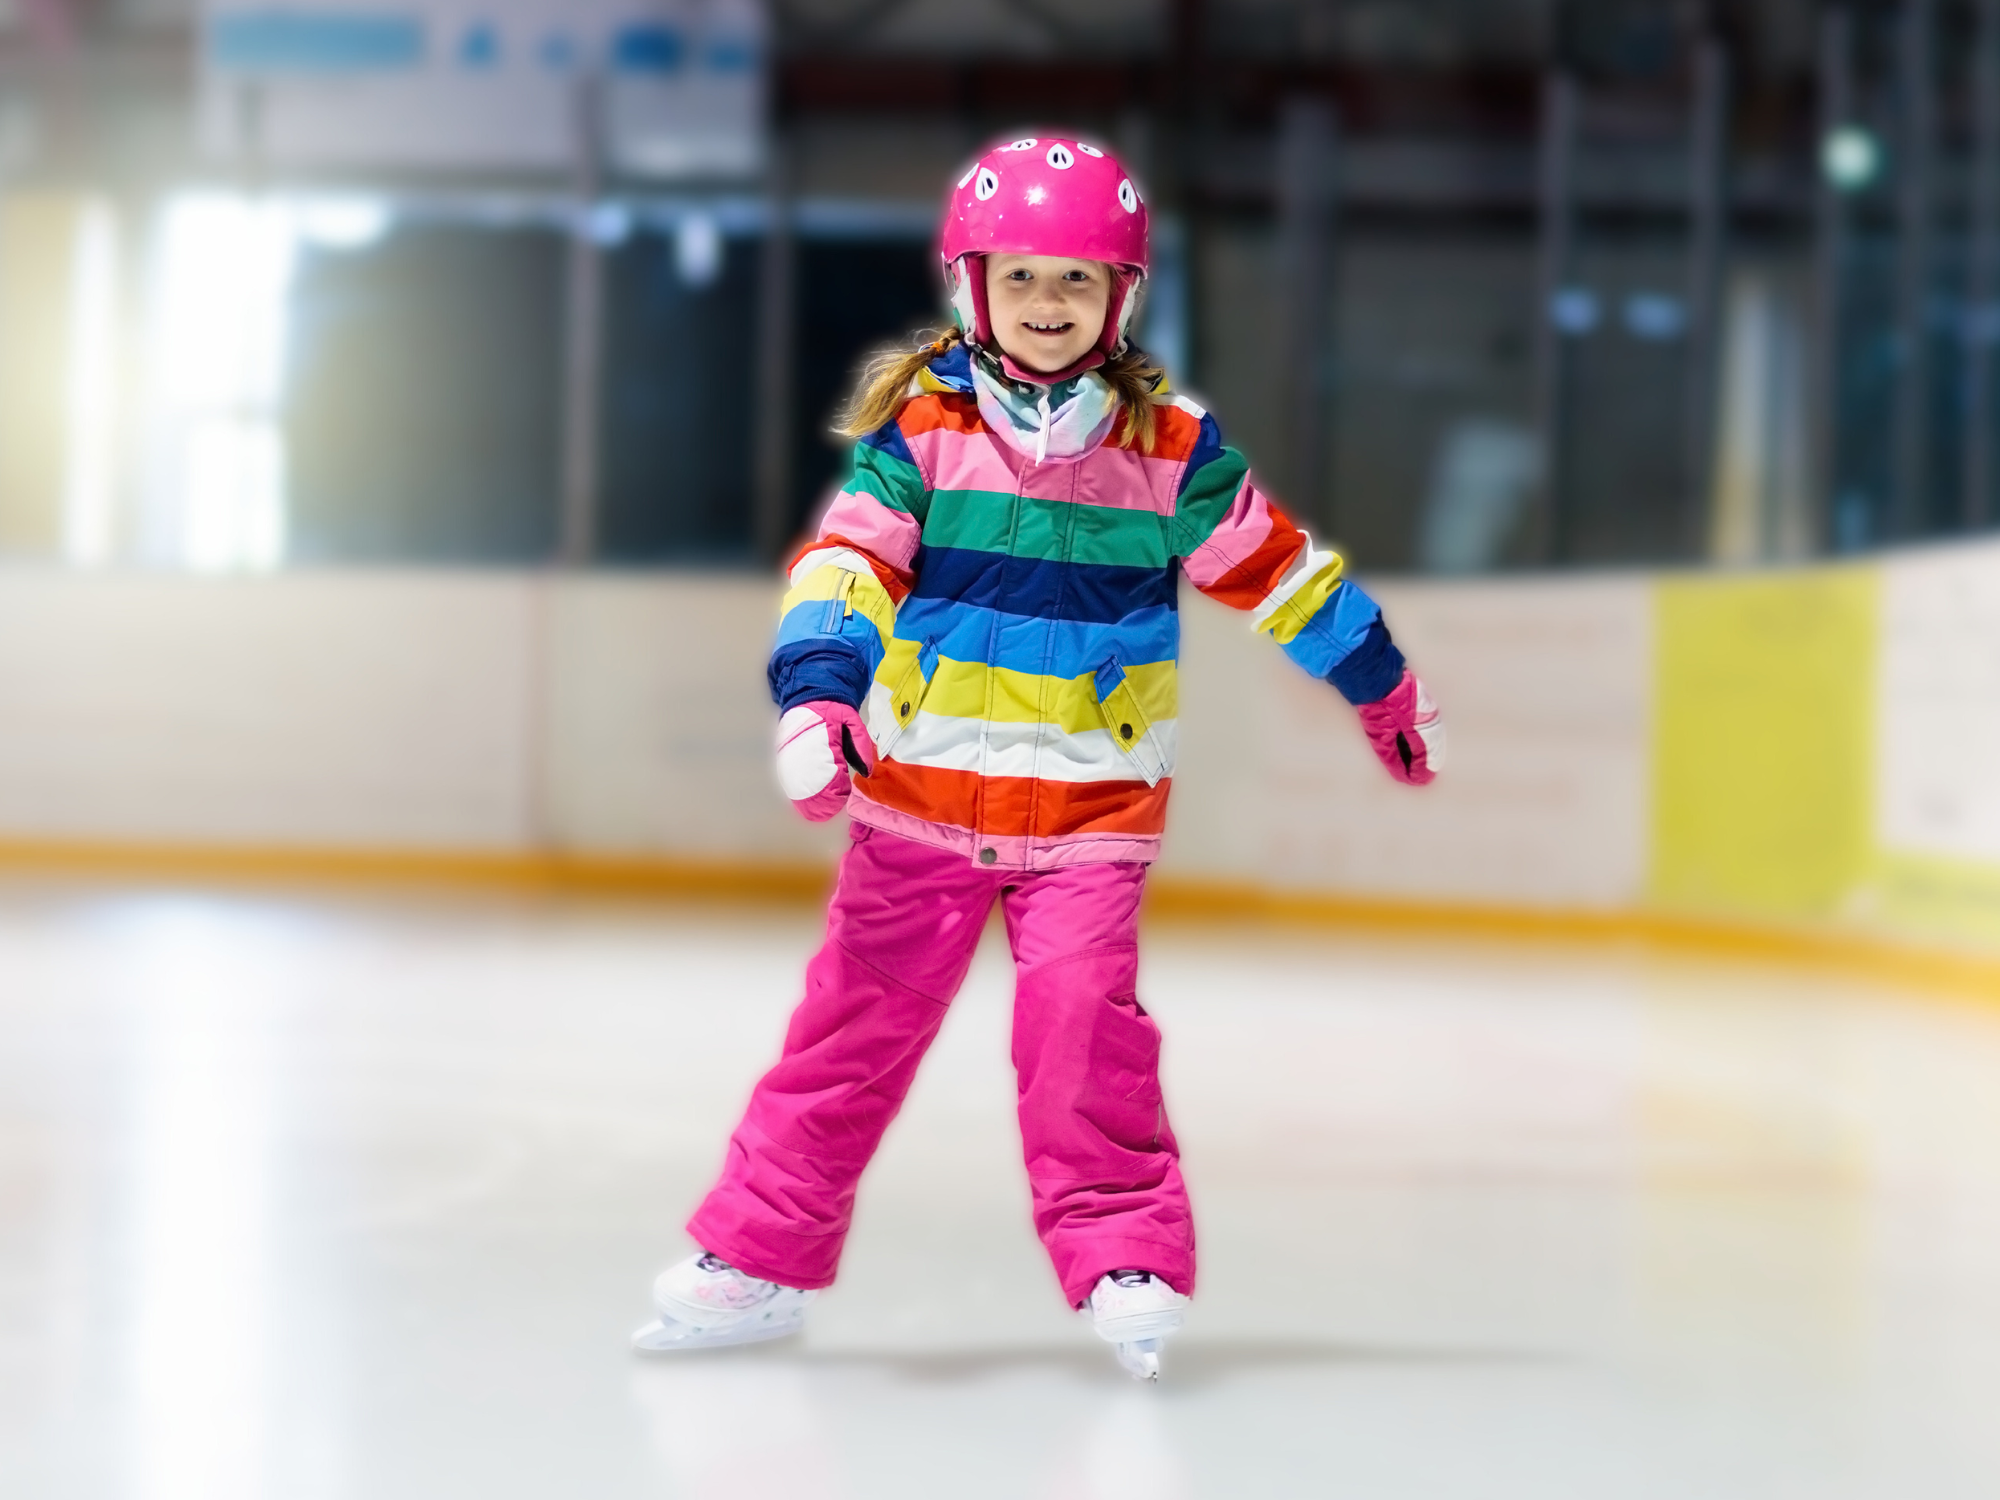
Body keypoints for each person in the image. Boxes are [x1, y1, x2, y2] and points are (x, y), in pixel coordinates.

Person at [632, 134, 1444, 1381]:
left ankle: (1124, 1251)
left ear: (1120, 298)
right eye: (1021, 279)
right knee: (846, 1036)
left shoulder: (1167, 446)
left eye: (1076, 282)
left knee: (1079, 1027)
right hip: (916, 803)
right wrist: (816, 693)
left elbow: (1281, 573)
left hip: (1088, 810)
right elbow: (845, 567)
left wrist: (1376, 680)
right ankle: (757, 1258)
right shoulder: (923, 431)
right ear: (971, 287)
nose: (1048, 306)